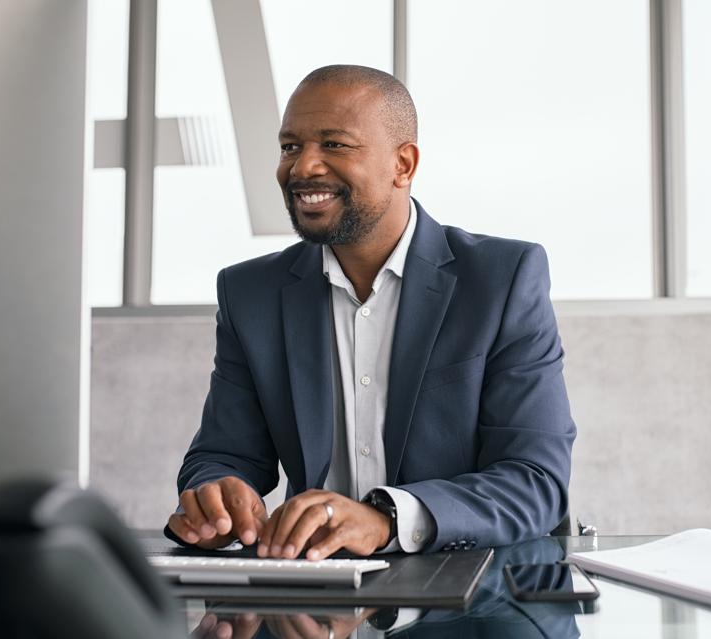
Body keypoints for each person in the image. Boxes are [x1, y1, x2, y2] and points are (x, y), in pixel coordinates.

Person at [165, 64, 575, 560]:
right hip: (313, 595)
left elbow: (535, 480)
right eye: (290, 146)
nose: (302, 168)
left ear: (403, 164)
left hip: (470, 595)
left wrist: (387, 519)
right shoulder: (249, 292)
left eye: (334, 144)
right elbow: (224, 452)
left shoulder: (502, 279)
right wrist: (219, 497)